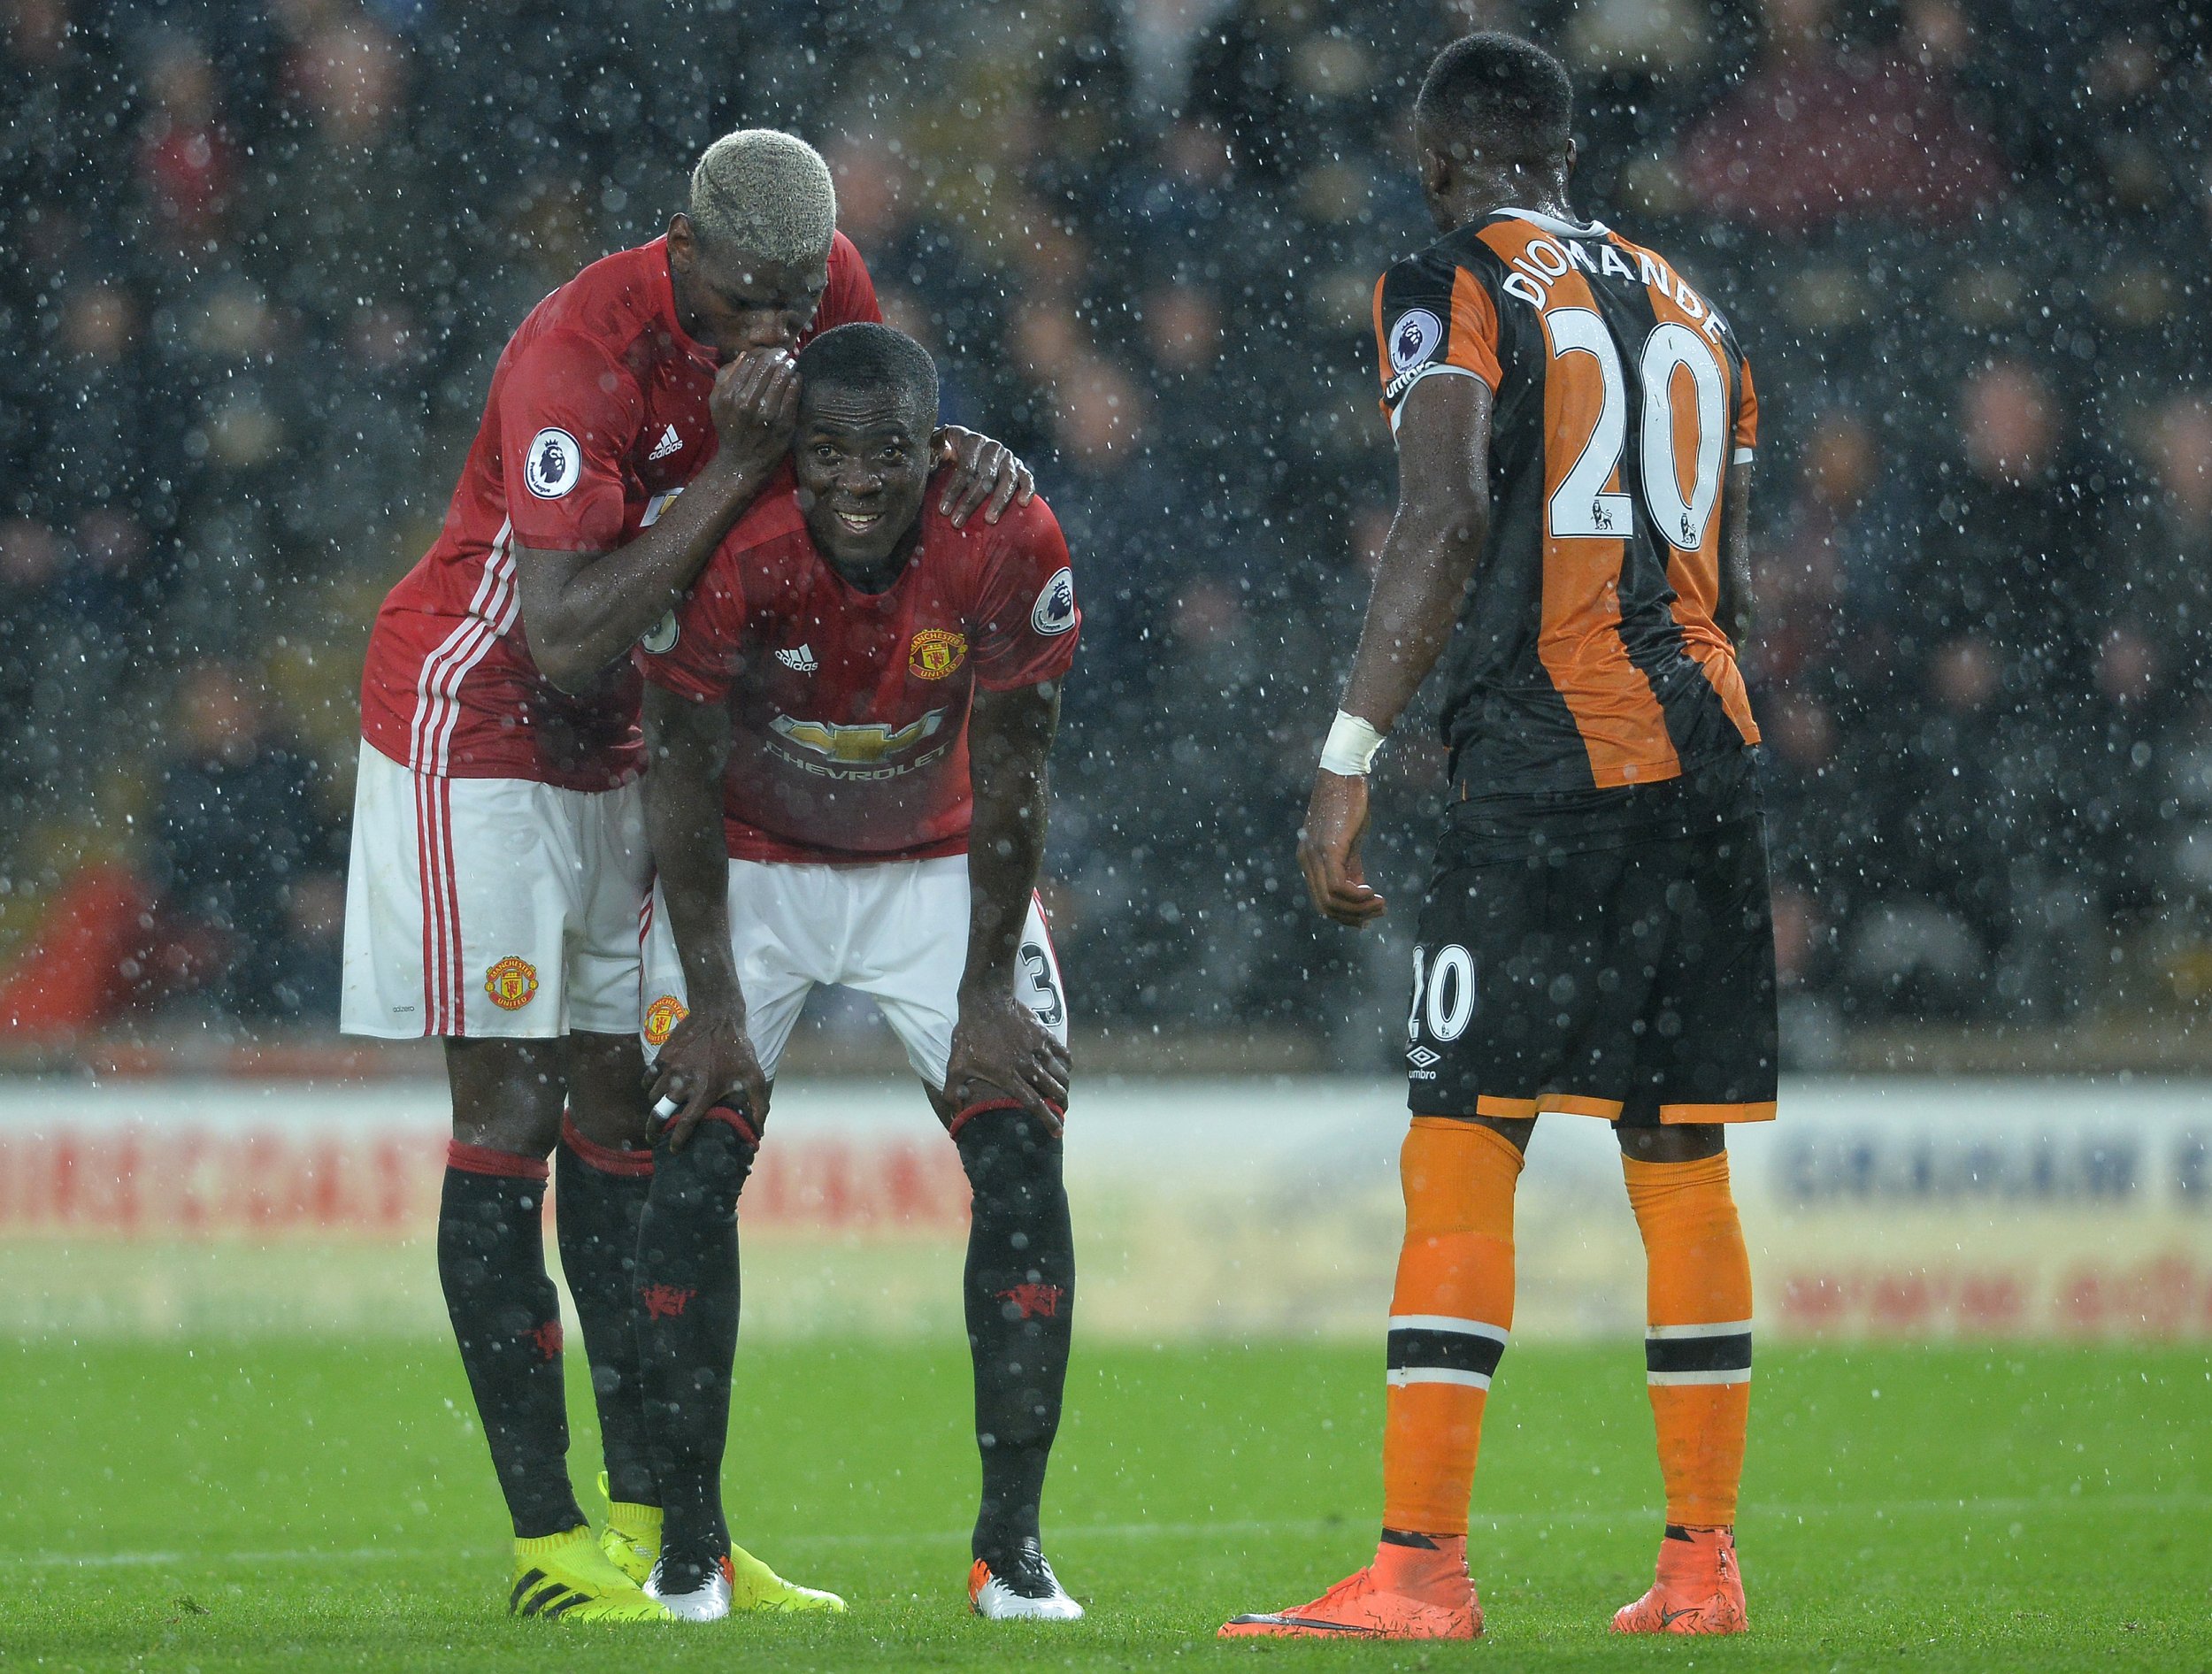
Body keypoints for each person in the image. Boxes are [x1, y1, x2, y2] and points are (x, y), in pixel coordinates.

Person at [340, 128, 1033, 1624]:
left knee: (628, 1113)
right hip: (487, 728)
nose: (782, 325)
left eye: (801, 292)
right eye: (748, 294)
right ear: (680, 245)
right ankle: (546, 1540)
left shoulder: (819, 286)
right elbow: (568, 631)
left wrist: (959, 456)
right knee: (515, 1108)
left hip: (639, 741)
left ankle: (672, 1540)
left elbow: (865, 446)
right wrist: (733, 465)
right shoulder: (577, 354)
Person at [1222, 33, 1772, 1642]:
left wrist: (1350, 756)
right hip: (1703, 749)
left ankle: (1417, 1574)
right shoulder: (1697, 302)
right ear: (1571, 148)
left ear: (1433, 149)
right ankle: (1700, 1566)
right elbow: (1726, 570)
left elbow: (1448, 510)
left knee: (1462, 1147)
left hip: (1544, 764)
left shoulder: (1450, 275)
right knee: (1678, 1160)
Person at [637, 322, 1083, 1622]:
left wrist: (989, 987)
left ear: (934, 449)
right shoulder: (725, 540)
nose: (855, 480)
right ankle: (692, 1547)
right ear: (794, 448)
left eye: (887, 452)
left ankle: (1011, 1551)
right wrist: (714, 1001)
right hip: (751, 865)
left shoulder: (1009, 534)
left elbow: (1015, 774)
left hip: (936, 869)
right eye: (825, 450)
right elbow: (676, 766)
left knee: (1022, 1156)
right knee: (692, 1156)